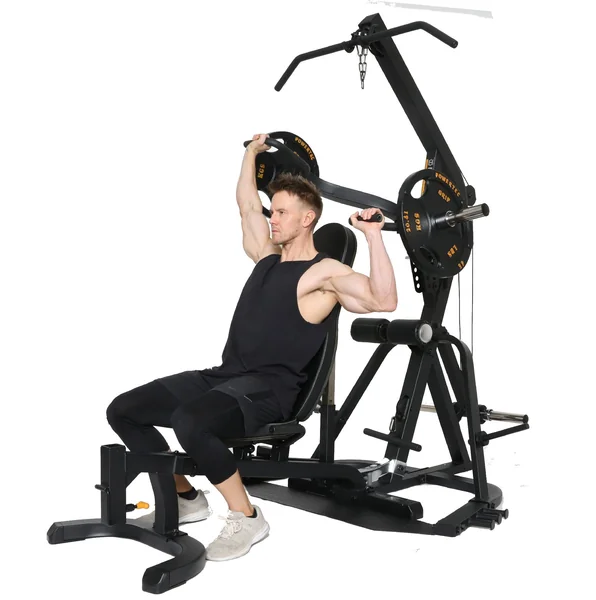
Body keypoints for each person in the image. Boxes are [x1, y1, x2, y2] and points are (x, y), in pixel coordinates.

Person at [106, 133, 398, 562]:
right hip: (226, 377)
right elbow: (246, 204)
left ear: (307, 219)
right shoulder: (266, 256)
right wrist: (250, 154)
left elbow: (383, 300)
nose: (271, 218)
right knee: (124, 410)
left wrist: (373, 236)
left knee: (190, 421)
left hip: (268, 391)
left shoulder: (324, 273)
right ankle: (185, 498)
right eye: (272, 210)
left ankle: (246, 517)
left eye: (281, 212)